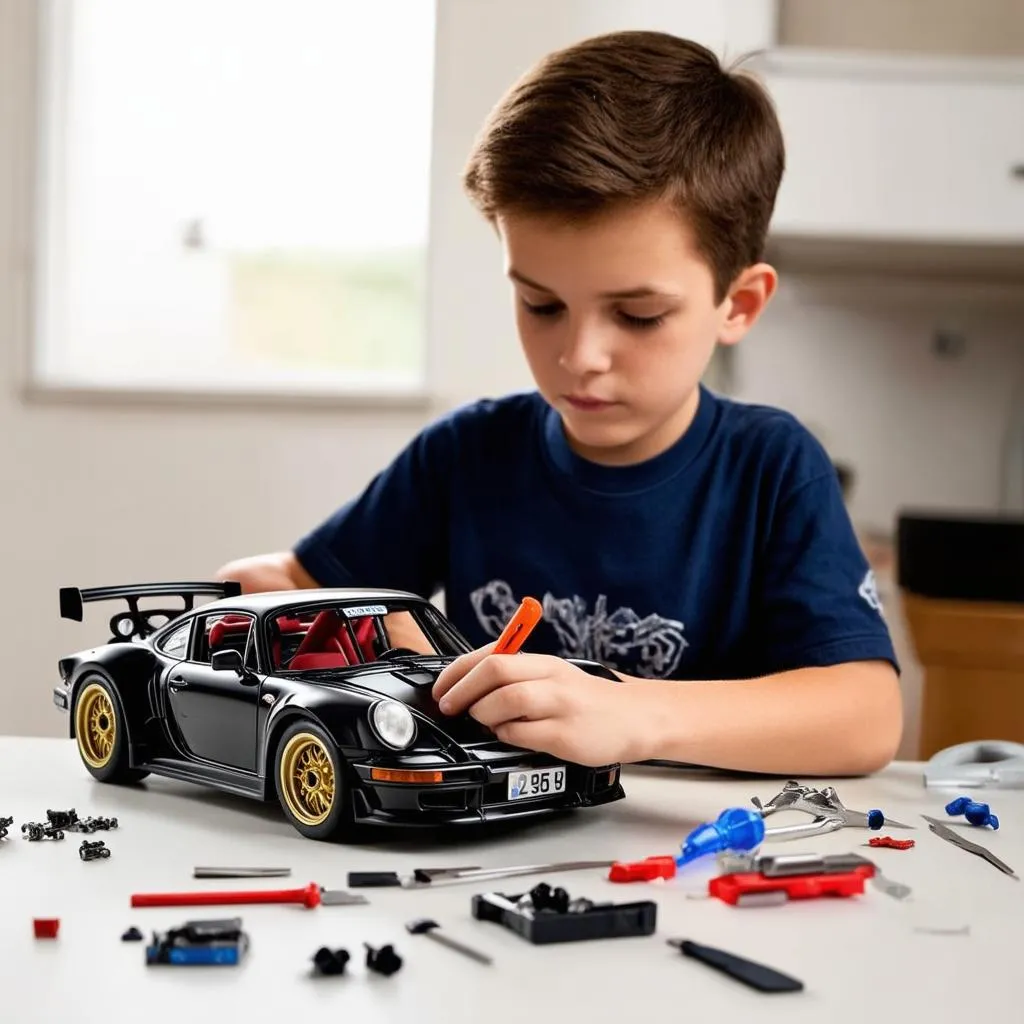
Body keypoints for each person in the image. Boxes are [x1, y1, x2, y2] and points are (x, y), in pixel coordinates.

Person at [217, 31, 902, 776]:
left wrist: (637, 715)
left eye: (638, 315)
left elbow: (865, 716)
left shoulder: (771, 467)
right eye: (541, 305)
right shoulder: (465, 456)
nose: (580, 356)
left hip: (690, 861)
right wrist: (257, 600)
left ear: (737, 304)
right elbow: (297, 585)